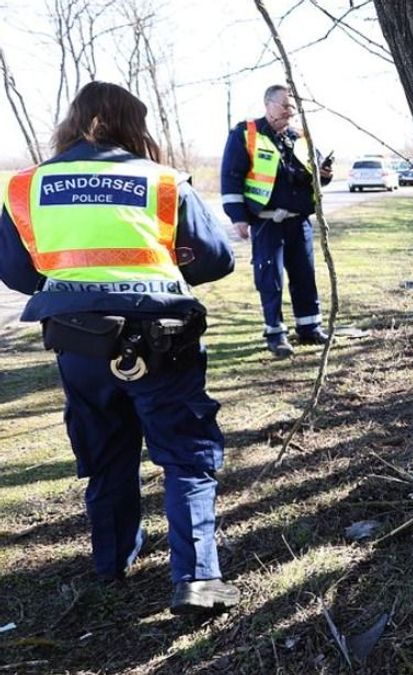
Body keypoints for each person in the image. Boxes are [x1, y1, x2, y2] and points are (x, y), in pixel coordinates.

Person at [0, 82, 240, 615]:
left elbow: (15, 272)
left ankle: (112, 564)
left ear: (75, 121)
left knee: (106, 452)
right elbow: (218, 260)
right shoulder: (162, 182)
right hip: (163, 343)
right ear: (135, 125)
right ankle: (198, 580)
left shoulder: (27, 187)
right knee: (186, 456)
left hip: (81, 342)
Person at [220, 84, 332, 357]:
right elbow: (231, 176)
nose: (290, 112)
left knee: (305, 275)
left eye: (293, 107)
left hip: (299, 222)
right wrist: (238, 218)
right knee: (270, 279)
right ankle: (275, 333)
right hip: (267, 222)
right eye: (285, 106)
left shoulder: (300, 137)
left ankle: (309, 327)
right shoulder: (245, 134)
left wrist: (325, 173)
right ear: (268, 104)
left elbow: (313, 176)